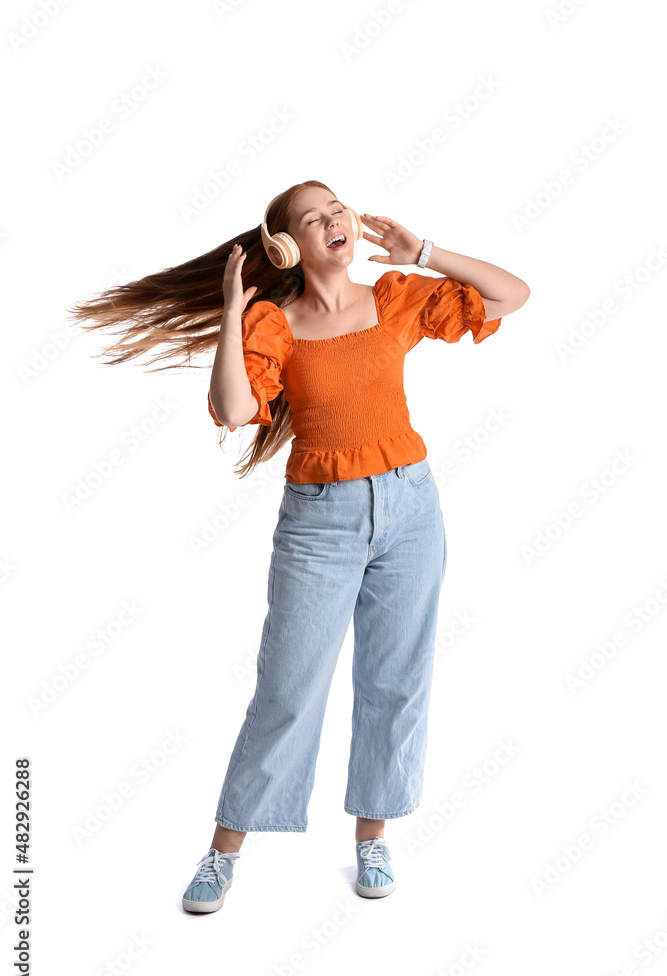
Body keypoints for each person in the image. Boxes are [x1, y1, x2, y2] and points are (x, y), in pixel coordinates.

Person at [67, 179, 529, 913]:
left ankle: (370, 837)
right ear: (286, 246)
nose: (332, 221)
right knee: (287, 690)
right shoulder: (272, 322)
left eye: (335, 208)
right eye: (310, 220)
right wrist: (228, 315)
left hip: (411, 506)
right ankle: (224, 850)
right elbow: (232, 408)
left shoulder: (399, 297)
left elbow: (512, 295)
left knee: (396, 680)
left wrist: (428, 252)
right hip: (320, 521)